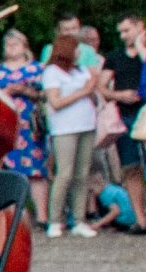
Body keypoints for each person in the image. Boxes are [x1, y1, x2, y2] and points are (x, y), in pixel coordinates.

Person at [40, 29, 101, 237]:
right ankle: (55, 219)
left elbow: (91, 96)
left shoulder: (81, 70)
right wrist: (83, 91)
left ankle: (79, 219)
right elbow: (55, 102)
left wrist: (92, 91)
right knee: (64, 174)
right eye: (75, 49)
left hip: (86, 125)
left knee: (82, 173)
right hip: (65, 128)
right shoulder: (52, 72)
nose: (78, 53)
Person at [0, 28, 48, 221]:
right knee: (7, 168)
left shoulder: (36, 68)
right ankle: (13, 215)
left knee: (36, 170)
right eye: (7, 45)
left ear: (24, 46)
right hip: (6, 124)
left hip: (30, 126)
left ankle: (42, 217)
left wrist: (23, 90)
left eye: (15, 44)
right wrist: (6, 92)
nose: (11, 48)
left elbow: (44, 94)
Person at [103, 15, 146, 226]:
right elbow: (102, 86)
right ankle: (140, 219)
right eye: (121, 32)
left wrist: (141, 48)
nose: (123, 36)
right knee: (131, 166)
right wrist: (120, 95)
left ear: (140, 27)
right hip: (125, 115)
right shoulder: (114, 56)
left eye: (127, 30)